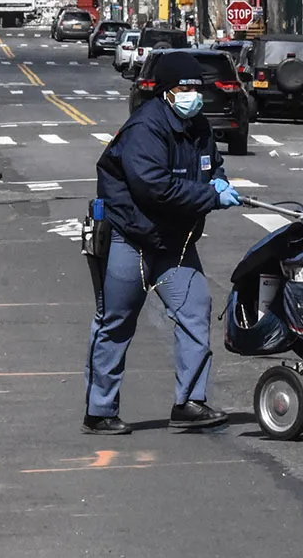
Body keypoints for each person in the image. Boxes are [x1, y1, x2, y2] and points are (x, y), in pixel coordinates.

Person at [83, 83, 240, 434]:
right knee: (115, 323)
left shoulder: (199, 126)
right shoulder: (145, 128)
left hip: (176, 243)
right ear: (167, 92)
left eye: (197, 87)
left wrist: (218, 182)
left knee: (196, 310)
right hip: (130, 237)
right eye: (184, 87)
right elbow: (153, 188)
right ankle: (99, 411)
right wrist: (210, 197)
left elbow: (212, 166)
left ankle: (190, 402)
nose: (193, 95)